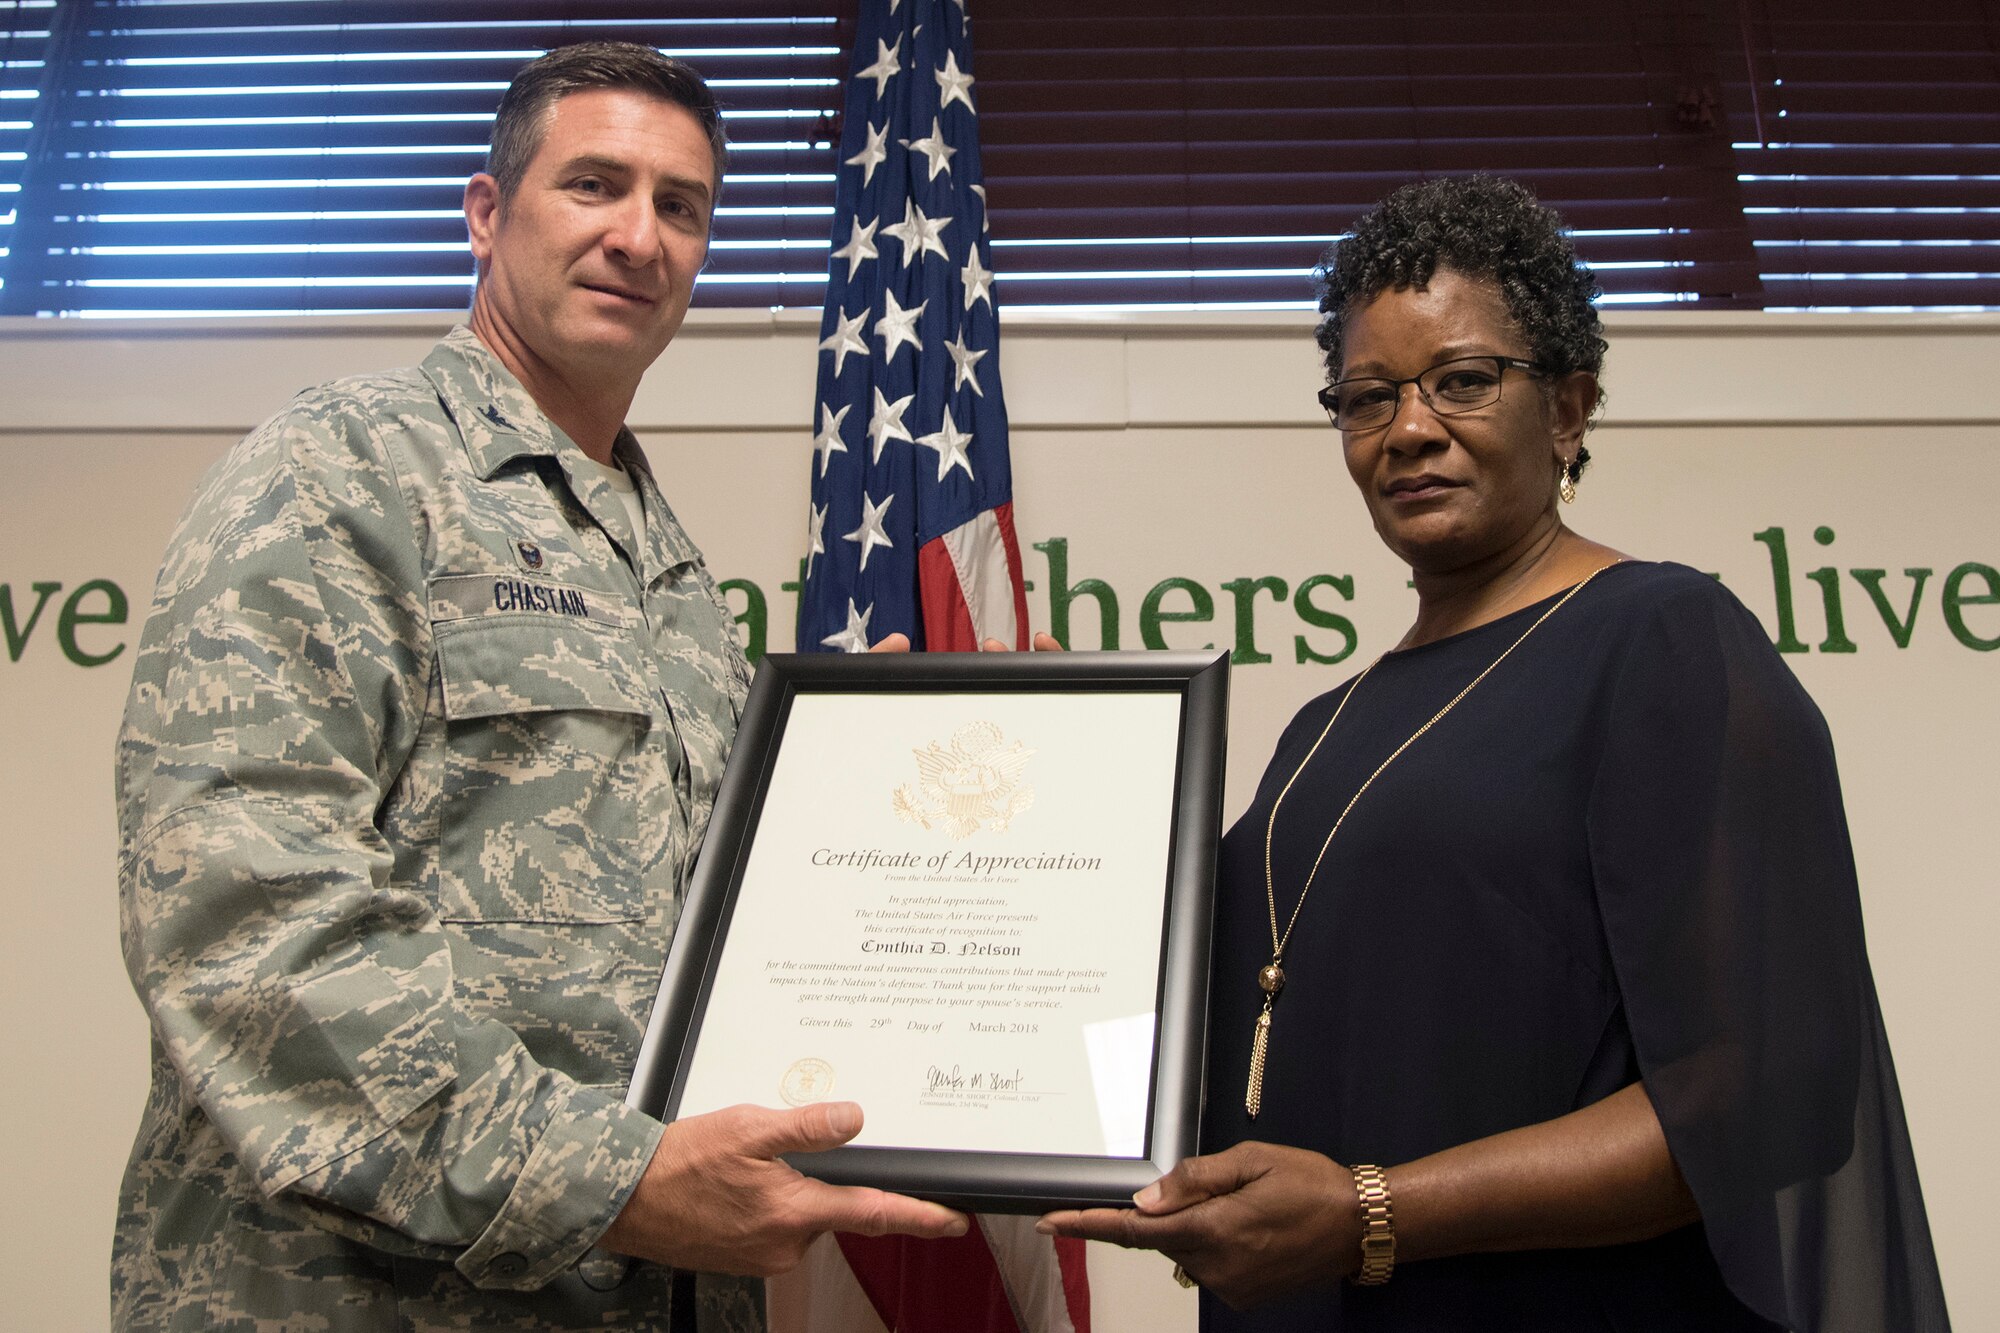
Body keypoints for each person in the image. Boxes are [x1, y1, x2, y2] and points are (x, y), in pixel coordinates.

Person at [110, 42, 965, 1333]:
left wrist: (835, 780)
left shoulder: (663, 562)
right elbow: (243, 912)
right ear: (486, 212)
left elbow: (667, 913)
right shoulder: (344, 467)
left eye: (682, 206)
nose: (640, 235)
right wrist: (607, 1181)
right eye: (595, 185)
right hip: (361, 1300)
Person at [1040, 176, 1951, 1332]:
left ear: (1567, 410)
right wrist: (1032, 787)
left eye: (1461, 381)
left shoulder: (1658, 639)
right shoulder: (1320, 725)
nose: (1408, 428)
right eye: (1366, 397)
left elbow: (1769, 1090)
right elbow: (1184, 1027)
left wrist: (1375, 1212)